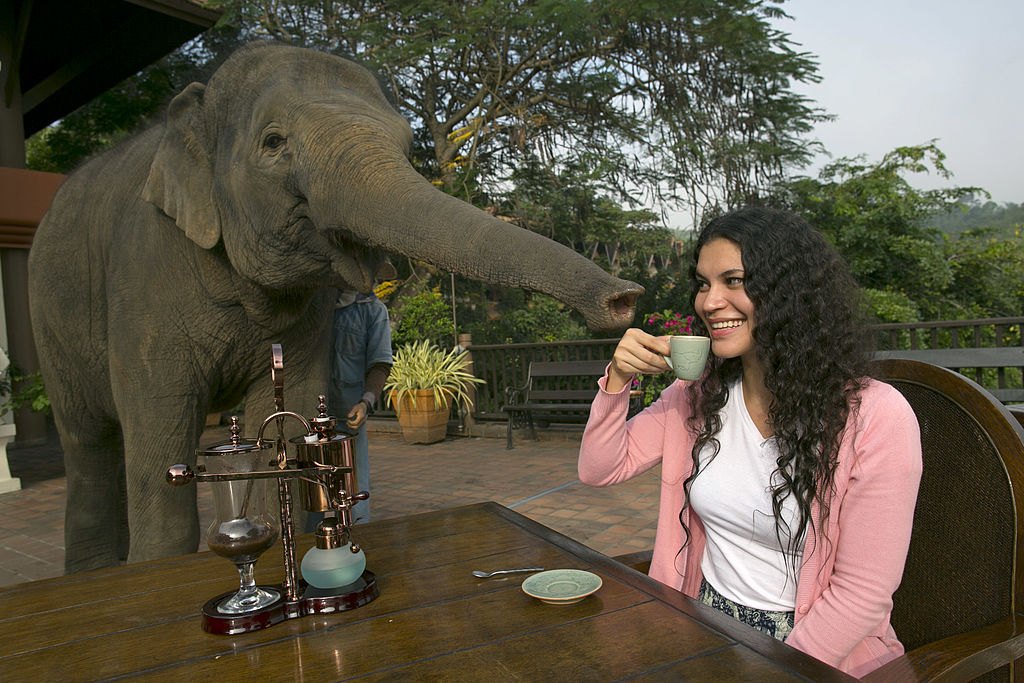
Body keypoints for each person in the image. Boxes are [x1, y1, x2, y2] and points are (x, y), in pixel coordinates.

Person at [578, 207, 922, 677]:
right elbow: (600, 469)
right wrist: (618, 378)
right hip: (704, 629)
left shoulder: (875, 416)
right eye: (703, 283)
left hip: (815, 653)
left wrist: (774, 667)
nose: (710, 302)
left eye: (734, 281)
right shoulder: (697, 396)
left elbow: (862, 593)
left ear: (789, 292)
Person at [328, 289, 393, 524]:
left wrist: (366, 403)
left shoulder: (373, 310)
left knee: (354, 497)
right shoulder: (315, 306)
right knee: (309, 499)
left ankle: (356, 552)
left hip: (349, 418)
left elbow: (380, 363)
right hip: (309, 420)